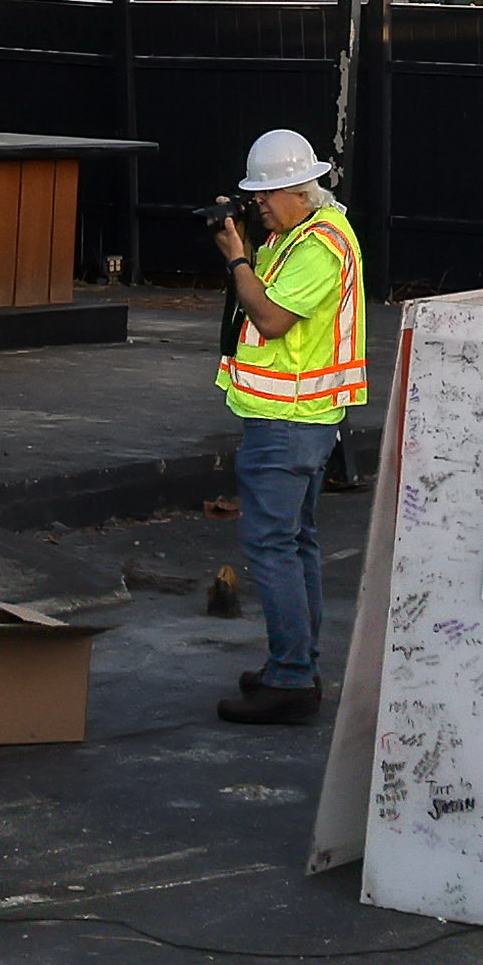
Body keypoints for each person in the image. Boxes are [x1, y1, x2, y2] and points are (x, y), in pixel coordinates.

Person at [210, 131, 364, 724]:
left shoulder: (318, 247)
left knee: (273, 547)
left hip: (289, 420)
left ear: (299, 191)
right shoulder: (296, 236)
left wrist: (236, 256)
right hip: (294, 419)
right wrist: (245, 246)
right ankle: (294, 667)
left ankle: (293, 679)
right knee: (295, 544)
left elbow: (270, 318)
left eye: (266, 195)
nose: (259, 206)